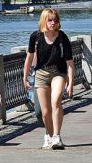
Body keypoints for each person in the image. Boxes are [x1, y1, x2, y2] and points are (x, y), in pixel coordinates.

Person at [23, 9, 75, 150]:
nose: (53, 23)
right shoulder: (36, 37)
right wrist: (25, 77)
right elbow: (28, 59)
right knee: (43, 112)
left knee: (56, 100)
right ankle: (50, 135)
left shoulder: (62, 37)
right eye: (50, 20)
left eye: (55, 20)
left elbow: (70, 63)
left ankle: (57, 136)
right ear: (44, 21)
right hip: (40, 74)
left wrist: (70, 84)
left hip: (58, 72)